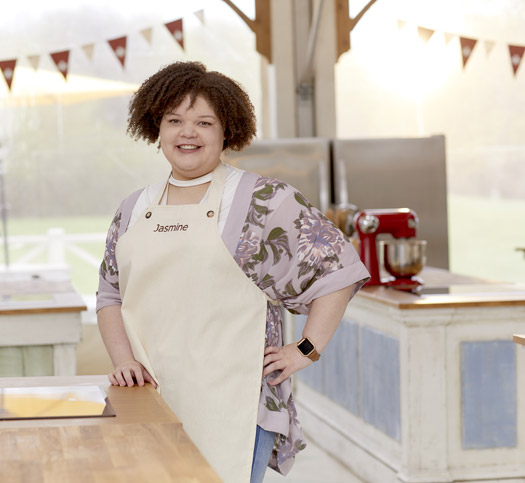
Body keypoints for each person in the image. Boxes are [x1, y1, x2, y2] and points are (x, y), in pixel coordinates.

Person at [96, 61, 369, 483]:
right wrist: (123, 360)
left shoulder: (261, 200)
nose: (188, 133)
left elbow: (339, 268)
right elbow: (110, 295)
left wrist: (306, 348)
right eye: (175, 121)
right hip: (148, 398)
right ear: (157, 128)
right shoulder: (133, 208)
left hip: (236, 399)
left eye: (204, 122)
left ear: (227, 131)